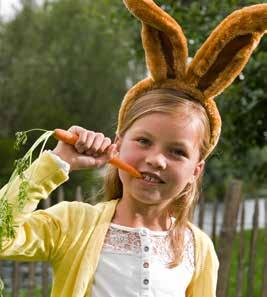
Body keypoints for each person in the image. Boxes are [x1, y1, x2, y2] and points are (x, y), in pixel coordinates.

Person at [0, 1, 266, 296]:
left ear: (196, 170)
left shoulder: (199, 248)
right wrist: (57, 162)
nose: (156, 160)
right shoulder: (73, 225)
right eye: (143, 141)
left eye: (177, 152)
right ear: (117, 145)